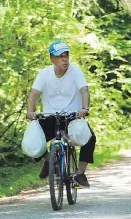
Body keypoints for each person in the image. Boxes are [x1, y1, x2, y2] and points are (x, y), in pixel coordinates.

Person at [26, 40, 96, 188]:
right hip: (49, 117)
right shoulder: (44, 74)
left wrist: (84, 108)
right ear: (52, 58)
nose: (64, 59)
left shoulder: (75, 70)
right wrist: (30, 112)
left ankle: (80, 174)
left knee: (90, 138)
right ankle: (49, 160)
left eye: (66, 55)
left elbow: (84, 90)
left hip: (72, 117)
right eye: (60, 56)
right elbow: (34, 94)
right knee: (32, 141)